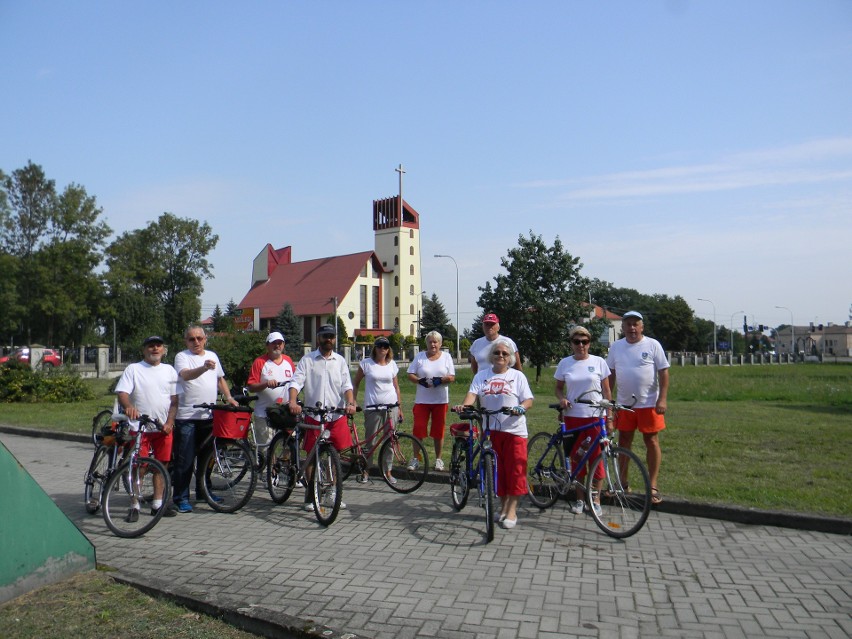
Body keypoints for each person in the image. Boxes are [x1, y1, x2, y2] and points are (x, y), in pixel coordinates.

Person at [455, 337, 533, 529]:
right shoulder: (481, 376)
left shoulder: (517, 376)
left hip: (514, 430)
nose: (500, 356)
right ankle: (503, 505)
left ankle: (512, 509)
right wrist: (464, 406)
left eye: (504, 354)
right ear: (491, 356)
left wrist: (521, 408)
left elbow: (528, 399)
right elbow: (472, 395)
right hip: (491, 430)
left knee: (514, 471)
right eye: (497, 353)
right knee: (498, 471)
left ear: (510, 358)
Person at [288, 324, 357, 510]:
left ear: (335, 339)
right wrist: (293, 401)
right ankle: (311, 494)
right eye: (325, 336)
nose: (329, 339)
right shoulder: (308, 360)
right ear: (319, 338)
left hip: (335, 415)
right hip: (314, 416)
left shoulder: (340, 361)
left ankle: (332, 491)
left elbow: (346, 386)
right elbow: (296, 381)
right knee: (312, 456)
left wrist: (350, 402)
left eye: (332, 336)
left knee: (335, 455)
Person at [606, 310, 669, 505]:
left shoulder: (652, 345)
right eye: (628, 324)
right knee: (624, 442)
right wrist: (610, 403)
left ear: (642, 327)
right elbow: (611, 376)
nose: (632, 328)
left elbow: (663, 372)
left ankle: (652, 485)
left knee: (651, 441)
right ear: (622, 328)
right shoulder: (616, 347)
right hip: (624, 405)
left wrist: (663, 399)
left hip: (649, 403)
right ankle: (622, 483)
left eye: (636, 324)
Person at [172, 326, 237, 513]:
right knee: (185, 460)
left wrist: (229, 397)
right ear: (186, 341)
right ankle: (181, 497)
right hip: (187, 416)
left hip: (209, 415)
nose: (196, 342)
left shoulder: (212, 356)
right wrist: (203, 368)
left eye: (199, 338)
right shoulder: (182, 357)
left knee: (207, 459)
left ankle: (204, 491)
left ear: (205, 339)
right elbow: (185, 375)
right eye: (192, 339)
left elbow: (220, 379)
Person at [114, 335, 179, 519]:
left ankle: (157, 504)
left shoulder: (170, 371)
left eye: (158, 346)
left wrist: (170, 422)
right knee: (139, 467)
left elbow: (174, 400)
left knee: (162, 465)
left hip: (162, 427)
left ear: (164, 350)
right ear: (144, 350)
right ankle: (134, 504)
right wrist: (128, 407)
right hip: (140, 427)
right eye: (151, 346)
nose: (155, 349)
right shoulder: (134, 369)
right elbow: (123, 393)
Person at [554, 325, 613, 516]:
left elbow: (607, 391)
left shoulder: (599, 362)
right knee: (577, 458)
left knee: (597, 457)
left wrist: (609, 416)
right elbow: (558, 388)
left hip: (595, 416)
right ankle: (579, 499)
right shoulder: (565, 363)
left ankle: (595, 499)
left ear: (589, 343)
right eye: (577, 342)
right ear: (571, 343)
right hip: (573, 416)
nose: (581, 345)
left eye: (585, 342)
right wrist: (561, 399)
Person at [352, 336, 402, 483]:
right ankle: (366, 471)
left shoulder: (392, 364)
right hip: (372, 407)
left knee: (390, 440)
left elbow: (396, 387)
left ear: (389, 349)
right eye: (379, 346)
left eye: (385, 346)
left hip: (390, 407)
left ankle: (388, 471)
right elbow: (355, 383)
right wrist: (353, 401)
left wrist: (399, 406)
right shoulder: (366, 364)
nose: (382, 349)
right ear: (375, 348)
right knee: (371, 441)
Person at [406, 330, 455, 471]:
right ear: (426, 343)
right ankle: (416, 458)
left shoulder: (446, 357)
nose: (433, 344)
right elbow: (410, 374)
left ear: (440, 343)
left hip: (440, 400)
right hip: (422, 400)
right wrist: (419, 381)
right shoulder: (420, 356)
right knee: (418, 428)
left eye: (435, 342)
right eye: (430, 341)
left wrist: (440, 380)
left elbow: (452, 377)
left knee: (438, 431)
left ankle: (438, 460)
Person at [247, 331, 296, 450]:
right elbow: (251, 386)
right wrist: (265, 384)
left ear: (283, 345)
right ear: (267, 346)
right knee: (267, 449)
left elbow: (296, 382)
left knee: (290, 445)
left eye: (280, 343)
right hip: (265, 414)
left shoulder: (288, 361)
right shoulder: (260, 362)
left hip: (285, 413)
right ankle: (269, 468)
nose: (277, 346)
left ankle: (284, 467)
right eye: (274, 343)